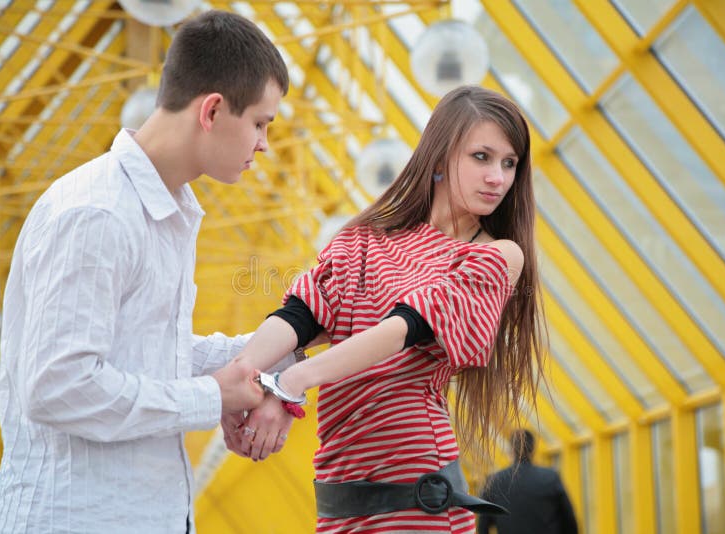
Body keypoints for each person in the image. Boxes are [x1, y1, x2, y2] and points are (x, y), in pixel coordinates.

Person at [0, 11, 293, 533]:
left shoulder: (165, 213)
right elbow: (59, 386)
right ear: (213, 110)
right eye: (261, 123)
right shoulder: (97, 213)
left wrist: (280, 349)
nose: (264, 144)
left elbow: (150, 354)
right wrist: (211, 396)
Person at [221, 85, 547, 533]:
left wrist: (288, 385)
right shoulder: (364, 241)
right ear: (438, 157)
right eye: (482, 157)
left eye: (509, 164)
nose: (497, 177)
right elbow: (300, 316)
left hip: (415, 491)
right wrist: (241, 379)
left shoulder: (495, 257)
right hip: (339, 493)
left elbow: (401, 330)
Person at [477, 430, 578, 534]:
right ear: (533, 450)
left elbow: (483, 525)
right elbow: (569, 520)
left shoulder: (494, 481)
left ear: (511, 451)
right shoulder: (550, 477)